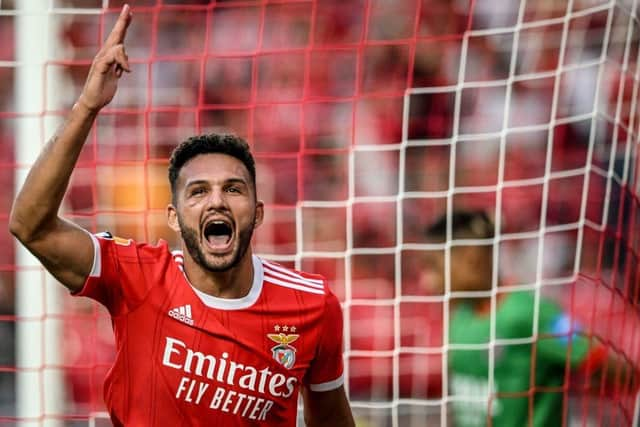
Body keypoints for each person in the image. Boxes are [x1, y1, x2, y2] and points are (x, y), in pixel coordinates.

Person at [9, 5, 355, 427]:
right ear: (173, 217)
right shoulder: (137, 277)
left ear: (258, 213)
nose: (216, 202)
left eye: (233, 189)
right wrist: (87, 106)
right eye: (198, 192)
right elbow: (30, 225)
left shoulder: (312, 305)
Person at [421, 210, 611, 427]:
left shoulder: (530, 313)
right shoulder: (460, 317)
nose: (426, 281)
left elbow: (599, 360)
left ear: (471, 256)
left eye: (433, 267)